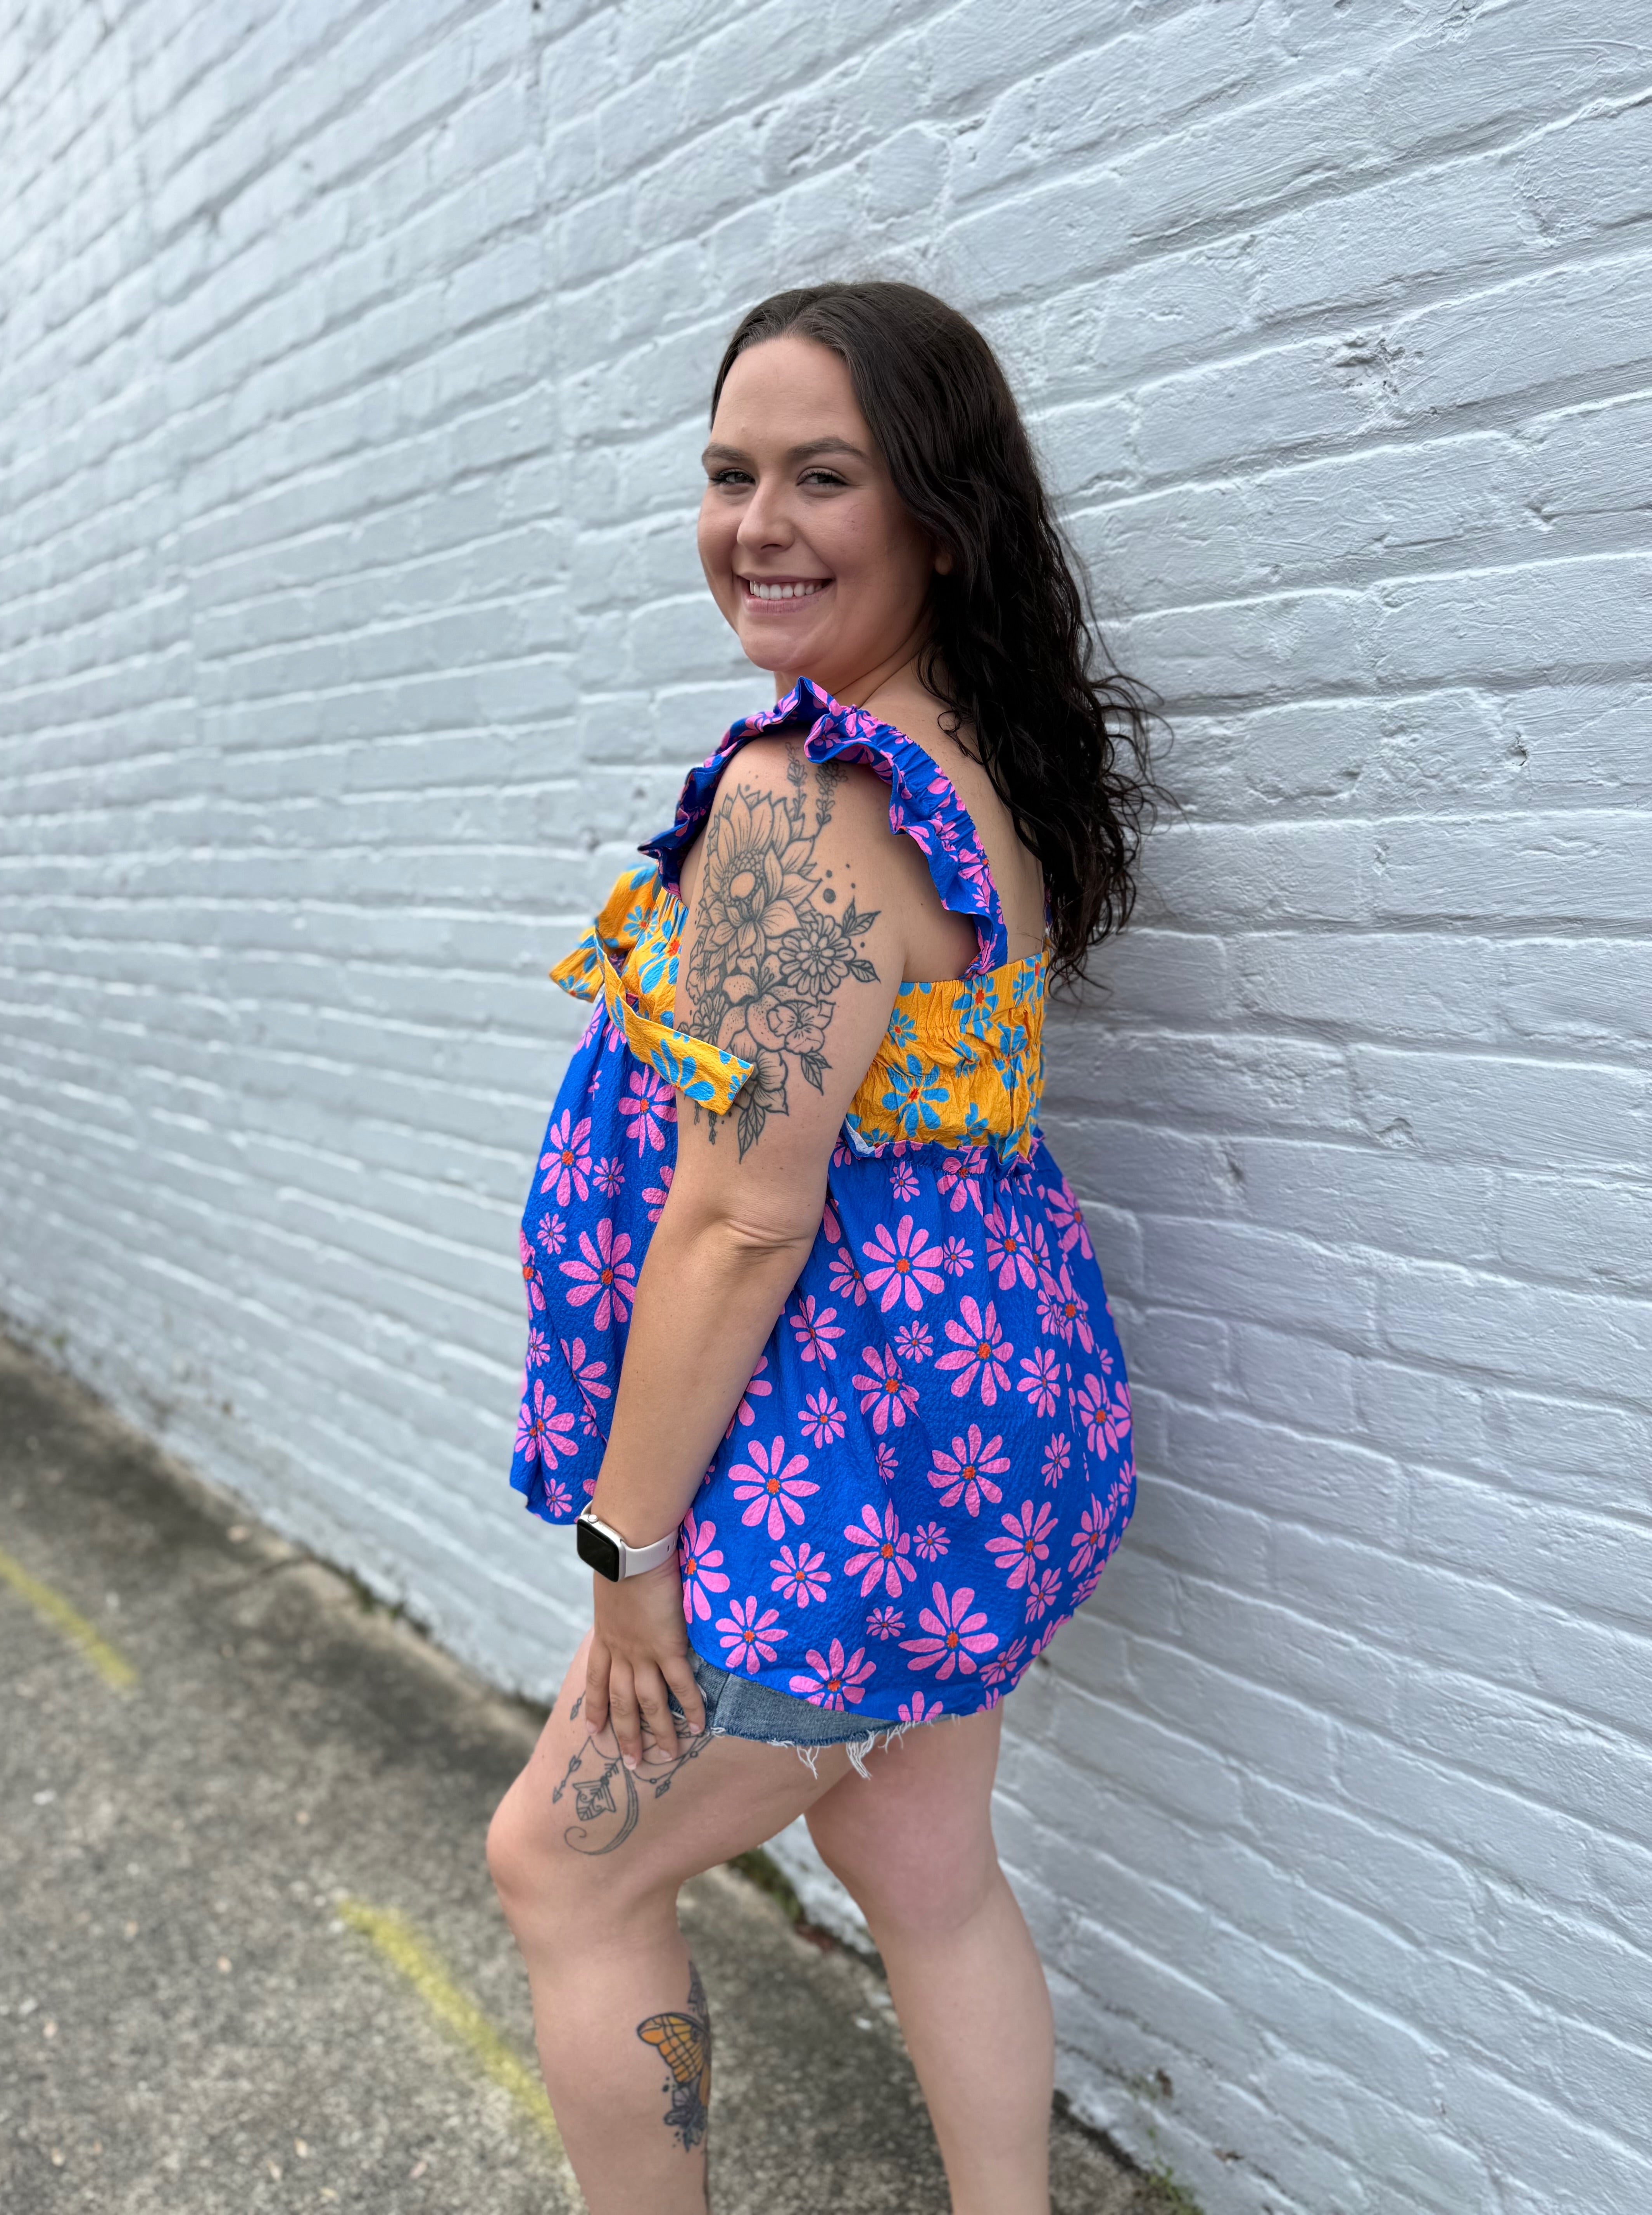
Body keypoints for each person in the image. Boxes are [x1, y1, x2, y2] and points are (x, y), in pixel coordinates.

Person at [486, 280, 1158, 2215]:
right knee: (919, 1861)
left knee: (563, 1869)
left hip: (828, 1467)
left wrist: (628, 1553)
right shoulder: (968, 749)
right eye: (730, 474)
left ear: (938, 516)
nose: (758, 524)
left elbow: (745, 1210)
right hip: (963, 1424)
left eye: (822, 477)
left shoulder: (813, 797)